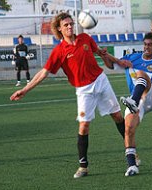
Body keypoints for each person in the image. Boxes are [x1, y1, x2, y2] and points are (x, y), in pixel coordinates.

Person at [10, 12, 126, 179]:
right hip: (83, 90)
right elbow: (43, 73)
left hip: (101, 81)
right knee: (84, 126)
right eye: (66, 25)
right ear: (59, 29)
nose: (70, 26)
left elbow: (102, 53)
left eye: (71, 23)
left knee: (117, 116)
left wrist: (119, 62)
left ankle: (131, 151)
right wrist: (25, 89)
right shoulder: (59, 51)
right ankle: (83, 166)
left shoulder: (85, 38)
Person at [101, 32, 152, 176]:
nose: (146, 47)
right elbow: (112, 65)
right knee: (128, 129)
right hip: (136, 101)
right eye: (145, 44)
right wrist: (104, 55)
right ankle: (132, 165)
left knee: (141, 74)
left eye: (150, 45)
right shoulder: (133, 57)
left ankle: (133, 101)